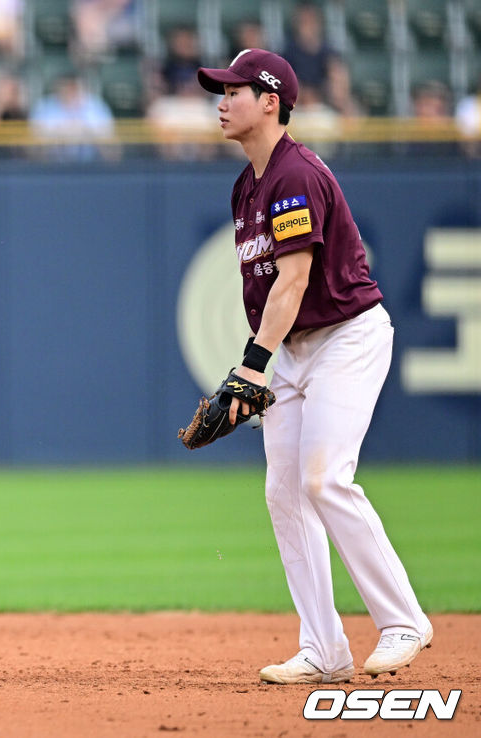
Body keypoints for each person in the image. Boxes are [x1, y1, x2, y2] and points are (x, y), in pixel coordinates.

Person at [195, 50, 432, 684]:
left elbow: (295, 278)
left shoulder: (293, 174)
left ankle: (402, 620)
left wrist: (251, 367)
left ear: (269, 101)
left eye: (232, 91)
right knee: (283, 492)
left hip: (346, 339)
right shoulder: (248, 184)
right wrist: (266, 362)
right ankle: (323, 648)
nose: (220, 101)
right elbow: (267, 291)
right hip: (295, 350)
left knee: (325, 480)